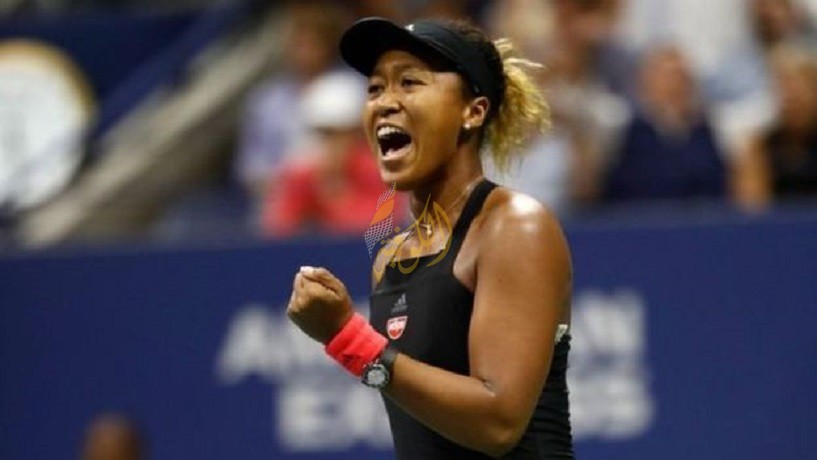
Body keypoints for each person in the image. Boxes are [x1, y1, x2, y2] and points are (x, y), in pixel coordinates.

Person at [286, 17, 574, 459]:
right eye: (375, 88)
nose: (385, 102)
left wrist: (347, 337)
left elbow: (498, 423)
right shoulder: (390, 257)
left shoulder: (515, 226)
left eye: (409, 82)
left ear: (472, 112)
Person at [604, 46, 727, 203]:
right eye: (666, 77)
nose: (675, 85)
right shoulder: (624, 134)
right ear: (646, 84)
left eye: (681, 77)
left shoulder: (711, 132)